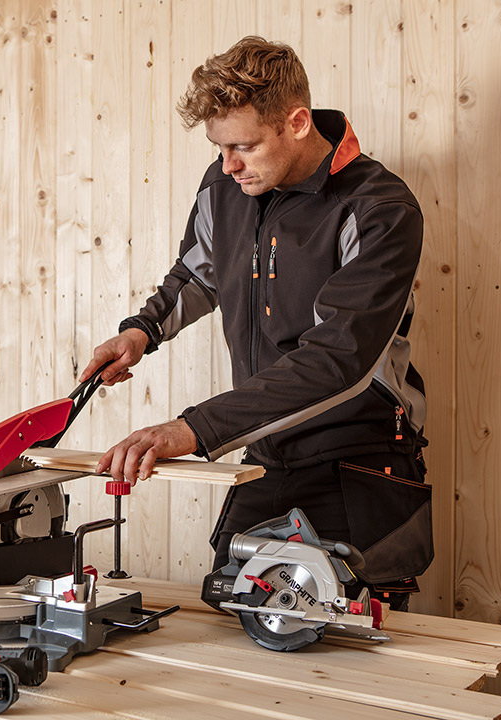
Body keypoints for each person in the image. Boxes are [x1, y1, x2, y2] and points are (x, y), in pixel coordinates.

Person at [79, 36, 432, 609]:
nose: (228, 165)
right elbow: (199, 274)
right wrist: (142, 331)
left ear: (297, 123)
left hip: (357, 459)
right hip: (265, 451)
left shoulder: (379, 208)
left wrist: (194, 430)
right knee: (228, 614)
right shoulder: (226, 186)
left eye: (243, 146)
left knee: (345, 642)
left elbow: (338, 360)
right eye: (219, 147)